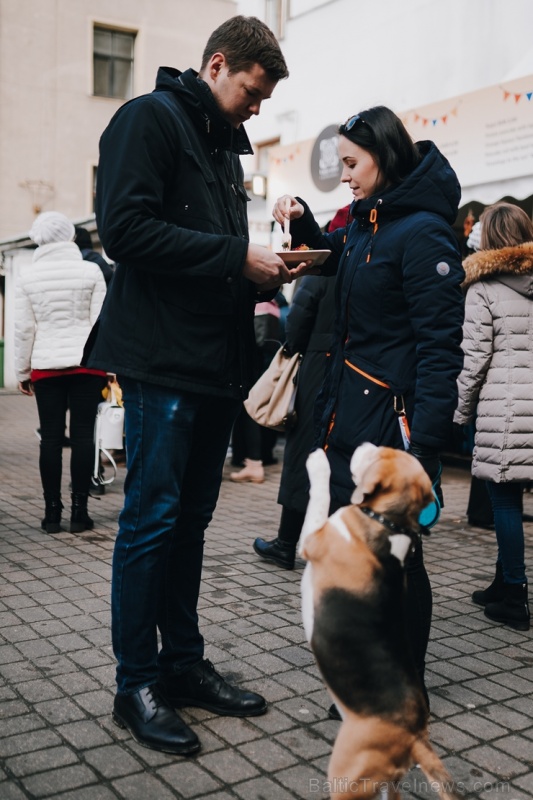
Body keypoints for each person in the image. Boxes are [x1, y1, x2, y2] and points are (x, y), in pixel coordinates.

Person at [82, 16, 304, 756]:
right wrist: (237, 257)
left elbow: (207, 254)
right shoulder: (147, 120)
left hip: (209, 366)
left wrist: (263, 266)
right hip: (160, 362)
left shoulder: (216, 146)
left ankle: (180, 665)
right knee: (151, 521)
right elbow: (125, 231)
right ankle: (135, 682)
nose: (257, 107)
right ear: (216, 66)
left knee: (186, 524)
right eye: (252, 90)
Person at [272, 106, 465, 708]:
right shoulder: (366, 223)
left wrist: (425, 444)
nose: (346, 176)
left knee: (400, 559)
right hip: (349, 418)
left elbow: (441, 347)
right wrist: (303, 219)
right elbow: (329, 252)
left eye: (352, 164)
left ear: (385, 155)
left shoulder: (423, 232)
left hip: (396, 427)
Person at [253, 206, 352, 568]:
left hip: (317, 363)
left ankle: (285, 543)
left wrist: (293, 349)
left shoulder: (323, 264)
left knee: (302, 453)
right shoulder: (366, 260)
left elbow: (299, 315)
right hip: (355, 368)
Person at [454, 202, 533, 631]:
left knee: (503, 499)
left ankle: (516, 596)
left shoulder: (482, 290)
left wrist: (461, 410)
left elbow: (475, 359)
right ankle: (503, 583)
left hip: (504, 409)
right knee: (513, 497)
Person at [15, 211, 107, 534]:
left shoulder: (27, 277)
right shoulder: (91, 271)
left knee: (50, 438)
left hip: (45, 367)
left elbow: (23, 329)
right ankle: (80, 514)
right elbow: (101, 323)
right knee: (84, 436)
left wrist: (22, 371)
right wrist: (107, 365)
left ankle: (52, 513)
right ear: (69, 236)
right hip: (87, 365)